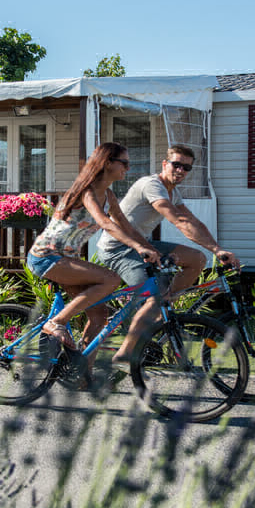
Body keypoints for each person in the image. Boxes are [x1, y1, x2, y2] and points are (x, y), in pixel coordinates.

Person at [97, 144, 238, 361]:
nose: (180, 170)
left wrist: (218, 249)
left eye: (186, 168)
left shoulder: (173, 192)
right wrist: (215, 249)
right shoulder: (152, 185)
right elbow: (179, 222)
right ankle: (125, 352)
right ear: (165, 164)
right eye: (176, 164)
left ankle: (162, 311)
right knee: (155, 297)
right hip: (118, 249)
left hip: (142, 244)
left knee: (197, 259)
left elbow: (193, 221)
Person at [25, 142, 160, 366]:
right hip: (46, 257)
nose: (128, 168)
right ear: (108, 163)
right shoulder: (86, 192)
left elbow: (127, 228)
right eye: (124, 163)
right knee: (111, 279)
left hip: (65, 260)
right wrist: (137, 248)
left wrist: (152, 249)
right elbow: (105, 223)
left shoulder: (108, 195)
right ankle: (57, 322)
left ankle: (81, 374)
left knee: (99, 316)